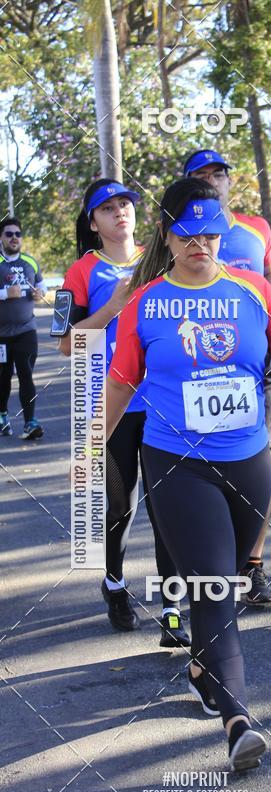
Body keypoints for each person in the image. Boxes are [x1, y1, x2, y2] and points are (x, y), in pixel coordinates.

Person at [106, 177, 271, 770]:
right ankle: (238, 718)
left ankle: (200, 662)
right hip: (176, 463)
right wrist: (91, 445)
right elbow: (121, 382)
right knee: (213, 581)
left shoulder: (256, 291)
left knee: (230, 580)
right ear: (166, 236)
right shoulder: (146, 304)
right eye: (188, 234)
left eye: (210, 232)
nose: (201, 244)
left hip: (248, 460)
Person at [57, 179, 190, 647]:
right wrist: (112, 308)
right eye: (107, 208)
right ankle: (114, 583)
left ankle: (172, 608)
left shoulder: (162, 259)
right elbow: (65, 345)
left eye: (126, 205)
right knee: (117, 506)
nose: (120, 213)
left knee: (167, 507)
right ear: (93, 223)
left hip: (162, 403)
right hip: (108, 405)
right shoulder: (79, 272)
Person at [183, 148, 271, 606]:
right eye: (201, 175)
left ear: (229, 180)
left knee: (260, 466)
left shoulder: (256, 229)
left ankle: (254, 566)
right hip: (205, 364)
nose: (213, 181)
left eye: (218, 174)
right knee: (207, 468)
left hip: (261, 363)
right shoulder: (178, 234)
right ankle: (212, 564)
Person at [0, 217, 46, 439]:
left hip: (26, 330)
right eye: (9, 234)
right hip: (1, 335)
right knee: (3, 376)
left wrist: (40, 293)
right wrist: (5, 294)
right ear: (1, 238)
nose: (14, 238)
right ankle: (2, 416)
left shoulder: (30, 262)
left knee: (26, 374)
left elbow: (41, 285)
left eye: (17, 234)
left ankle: (30, 422)